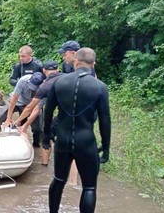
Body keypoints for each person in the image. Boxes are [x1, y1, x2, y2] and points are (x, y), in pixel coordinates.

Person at [43, 48, 111, 213]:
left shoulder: (59, 82)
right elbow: (105, 120)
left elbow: (48, 111)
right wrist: (106, 147)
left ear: (75, 62)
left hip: (63, 140)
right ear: (93, 64)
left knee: (58, 180)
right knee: (89, 187)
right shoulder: (100, 87)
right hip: (86, 141)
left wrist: (46, 135)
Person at [12, 60, 63, 164]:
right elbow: (34, 109)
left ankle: (46, 163)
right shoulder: (66, 77)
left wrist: (20, 123)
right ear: (58, 70)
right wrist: (22, 124)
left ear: (44, 70)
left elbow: (31, 108)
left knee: (46, 133)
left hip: (64, 114)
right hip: (82, 111)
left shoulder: (45, 86)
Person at [2, 72, 45, 147]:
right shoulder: (23, 80)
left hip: (34, 106)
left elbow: (33, 109)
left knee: (37, 129)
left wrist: (24, 126)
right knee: (2, 116)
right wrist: (9, 118)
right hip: (20, 102)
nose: (33, 90)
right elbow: (14, 98)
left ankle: (36, 144)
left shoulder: (45, 88)